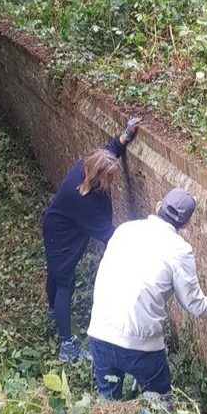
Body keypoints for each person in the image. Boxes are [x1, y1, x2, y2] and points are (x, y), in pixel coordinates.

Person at [87, 188, 207, 400]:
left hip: (100, 332)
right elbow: (194, 305)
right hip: (141, 346)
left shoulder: (124, 230)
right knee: (160, 410)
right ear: (187, 224)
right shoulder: (180, 250)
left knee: (108, 410)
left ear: (158, 206)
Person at [43, 118, 141, 362]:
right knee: (65, 281)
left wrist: (125, 136)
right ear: (99, 176)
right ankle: (67, 345)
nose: (113, 180)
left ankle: (54, 312)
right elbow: (109, 235)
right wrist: (139, 246)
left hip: (57, 225)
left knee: (56, 274)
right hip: (61, 235)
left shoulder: (90, 164)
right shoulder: (82, 200)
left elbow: (110, 149)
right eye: (110, 177)